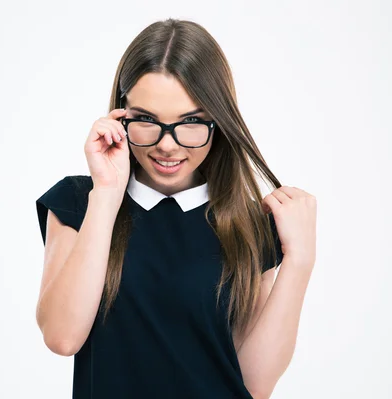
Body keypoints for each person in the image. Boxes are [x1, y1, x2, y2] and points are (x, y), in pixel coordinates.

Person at [34, 18, 317, 399]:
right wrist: (106, 191)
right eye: (147, 120)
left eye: (192, 122)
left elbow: (253, 383)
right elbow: (62, 337)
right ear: (121, 114)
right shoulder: (76, 202)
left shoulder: (249, 225)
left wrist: (299, 260)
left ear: (219, 121)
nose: (168, 146)